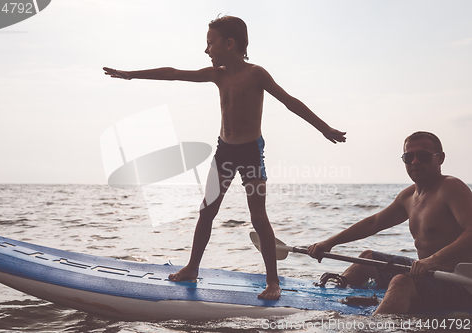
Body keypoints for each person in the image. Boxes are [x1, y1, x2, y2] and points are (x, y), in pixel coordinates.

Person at [104, 15, 346, 300]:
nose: (206, 50)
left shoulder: (256, 74)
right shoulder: (216, 74)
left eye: (210, 43)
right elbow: (174, 73)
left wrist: (324, 128)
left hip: (251, 153)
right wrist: (132, 74)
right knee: (207, 211)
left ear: (229, 44)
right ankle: (193, 267)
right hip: (225, 152)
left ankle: (273, 282)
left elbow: (289, 101)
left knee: (258, 216)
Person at [307, 131, 472, 314]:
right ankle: (332, 302)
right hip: (427, 273)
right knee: (366, 259)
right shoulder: (408, 196)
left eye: (423, 156)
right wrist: (329, 243)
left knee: (401, 281)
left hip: (462, 283)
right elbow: (374, 223)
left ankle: (374, 326)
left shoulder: (452, 188)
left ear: (440, 158)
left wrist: (432, 261)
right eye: (408, 157)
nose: (415, 162)